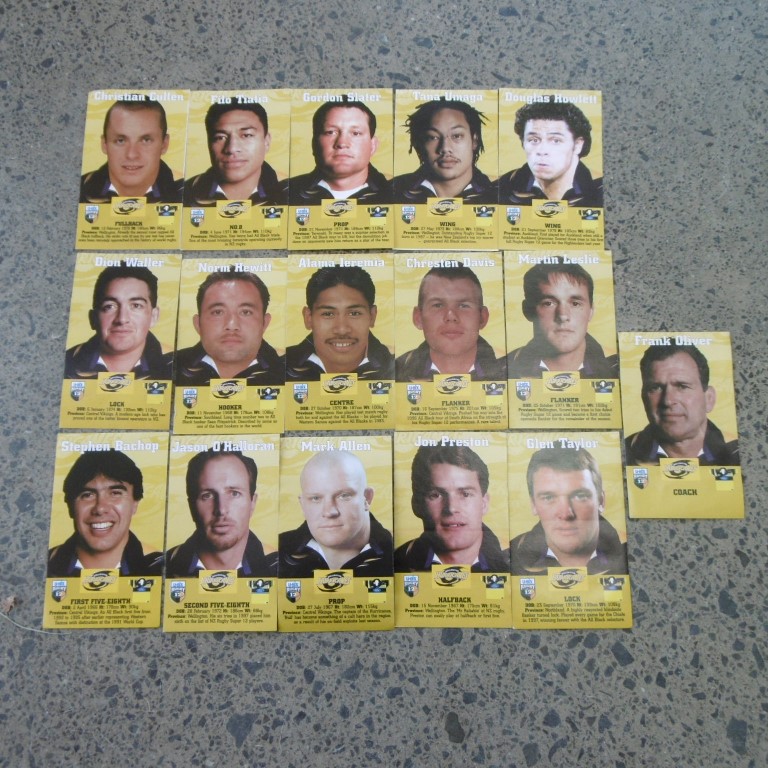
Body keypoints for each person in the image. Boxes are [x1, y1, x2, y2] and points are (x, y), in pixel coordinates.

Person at [509, 445, 627, 576]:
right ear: (533, 505)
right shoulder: (505, 560)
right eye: (548, 497)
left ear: (601, 501)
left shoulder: (632, 555)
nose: (565, 514)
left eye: (580, 496)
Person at [394, 444, 509, 573]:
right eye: (435, 495)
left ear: (484, 503)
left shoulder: (513, 564)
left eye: (465, 494)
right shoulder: (391, 565)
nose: (451, 508)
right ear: (416, 504)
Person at [48, 450, 161, 577]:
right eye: (87, 495)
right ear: (70, 506)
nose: (100, 508)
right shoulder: (42, 565)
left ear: (135, 503)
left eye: (115, 493)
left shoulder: (161, 568)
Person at [279, 451, 393, 577]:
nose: (329, 512)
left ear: (367, 498)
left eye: (344, 496)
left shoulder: (398, 552)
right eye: (316, 498)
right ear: (302, 504)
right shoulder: (276, 552)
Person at [165, 450, 276, 577]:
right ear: (191, 507)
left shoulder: (281, 568)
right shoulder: (159, 568)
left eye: (234, 493)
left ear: (252, 502)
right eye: (207, 495)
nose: (221, 509)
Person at [625, 341, 739, 465]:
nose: (668, 400)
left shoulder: (739, 455)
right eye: (655, 388)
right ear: (643, 397)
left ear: (709, 399)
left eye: (682, 386)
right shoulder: (622, 453)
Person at [506, 259, 618, 378]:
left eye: (575, 304)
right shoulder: (500, 371)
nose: (563, 315)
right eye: (548, 303)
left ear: (591, 311)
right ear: (528, 310)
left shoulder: (618, 372)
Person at [175, 268, 283, 386]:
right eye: (218, 312)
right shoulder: (169, 368)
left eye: (245, 312)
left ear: (265, 323)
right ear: (198, 323)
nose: (232, 325)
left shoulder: (286, 371)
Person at [396, 265, 505, 381]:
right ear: (418, 317)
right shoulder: (392, 372)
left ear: (482, 317)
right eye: (438, 305)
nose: (451, 316)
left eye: (463, 306)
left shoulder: (509, 372)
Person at [285, 265, 394, 380]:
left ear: (372, 316)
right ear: (308, 318)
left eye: (354, 313)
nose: (342, 330)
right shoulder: (282, 367)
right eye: (328, 314)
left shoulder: (395, 368)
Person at [64, 264, 172, 380]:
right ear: (93, 318)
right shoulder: (65, 362)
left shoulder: (174, 363)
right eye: (109, 306)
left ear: (154, 316)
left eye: (136, 305)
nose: (122, 319)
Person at [498, 98, 603, 207]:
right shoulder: (501, 189)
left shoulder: (600, 191)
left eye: (556, 141)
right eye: (534, 140)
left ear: (577, 145)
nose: (542, 151)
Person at [183, 98, 285, 207]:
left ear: (266, 142)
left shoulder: (288, 192)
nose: (232, 148)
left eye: (246, 135)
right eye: (220, 137)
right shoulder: (183, 194)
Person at [287, 97, 389, 204]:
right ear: (314, 144)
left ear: (373, 145)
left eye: (355, 133)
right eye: (330, 132)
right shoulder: (283, 193)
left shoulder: (393, 193)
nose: (342, 143)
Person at [393, 98, 496, 204]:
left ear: (474, 141)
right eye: (433, 137)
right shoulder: (392, 191)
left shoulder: (497, 195)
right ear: (419, 144)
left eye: (457, 136)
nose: (445, 148)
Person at [80, 97, 182, 204]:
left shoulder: (185, 193)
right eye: (120, 141)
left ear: (164, 144)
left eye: (146, 140)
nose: (131, 155)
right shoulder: (79, 188)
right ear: (104, 144)